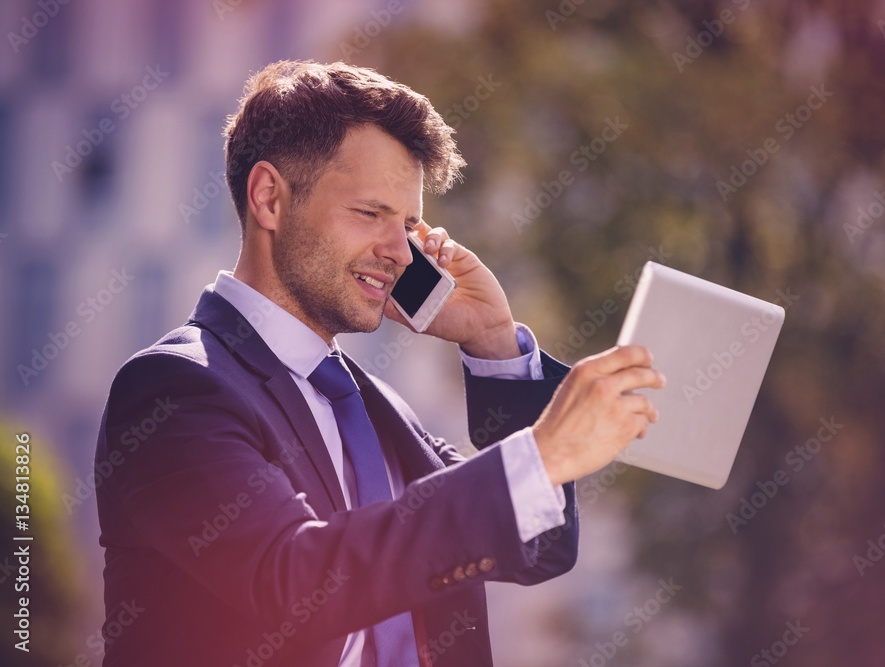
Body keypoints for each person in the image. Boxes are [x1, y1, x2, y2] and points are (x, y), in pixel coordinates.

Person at [94, 60, 664, 667]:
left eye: (410, 224)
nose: (400, 252)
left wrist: (495, 344)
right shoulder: (175, 389)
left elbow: (539, 544)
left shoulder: (377, 410)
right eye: (370, 214)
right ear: (269, 198)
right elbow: (295, 580)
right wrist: (543, 452)